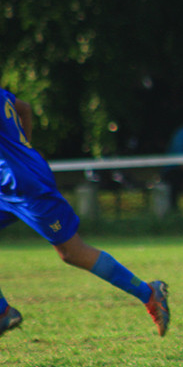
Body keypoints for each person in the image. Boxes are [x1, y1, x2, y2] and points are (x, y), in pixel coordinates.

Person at [0, 89, 170, 338]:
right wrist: (24, 150)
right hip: (8, 184)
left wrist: (21, 157)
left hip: (27, 185)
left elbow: (23, 110)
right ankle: (4, 313)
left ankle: (150, 294)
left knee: (72, 252)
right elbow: (23, 108)